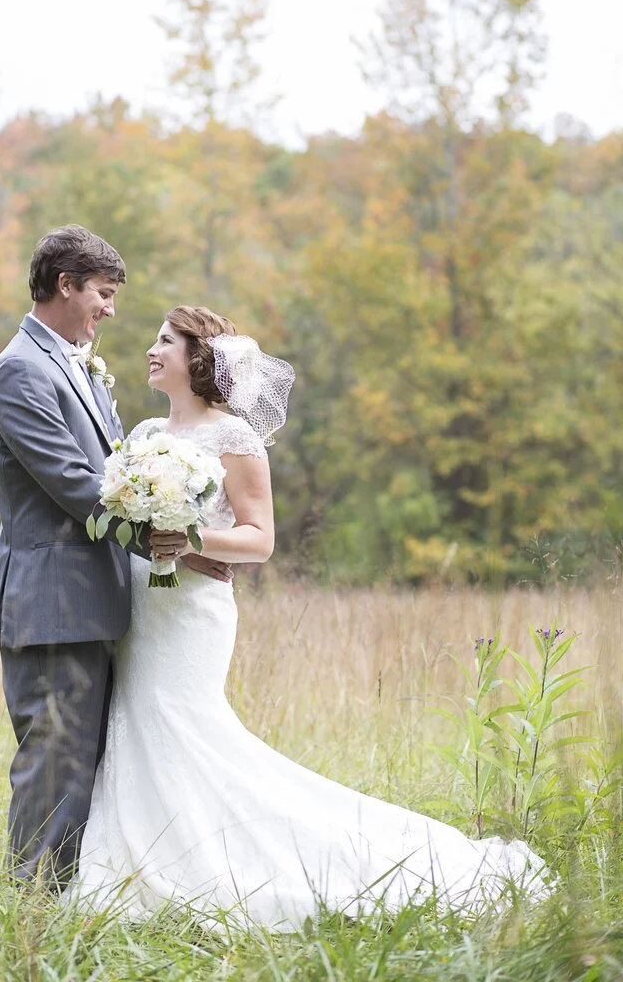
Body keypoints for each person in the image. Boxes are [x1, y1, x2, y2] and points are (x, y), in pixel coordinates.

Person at [70, 305, 550, 929]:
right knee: (135, 725)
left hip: (191, 613)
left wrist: (189, 540)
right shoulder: (139, 435)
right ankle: (143, 862)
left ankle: (266, 860)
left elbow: (260, 539)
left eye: (165, 341)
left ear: (198, 358)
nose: (150, 350)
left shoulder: (234, 438)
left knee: (188, 727)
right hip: (140, 608)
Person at [0, 229, 230, 888]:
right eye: (103, 294)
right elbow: (75, 484)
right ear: (66, 284)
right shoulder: (20, 370)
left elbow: (113, 468)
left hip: (93, 602)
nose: (110, 310)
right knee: (54, 758)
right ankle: (34, 906)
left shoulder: (73, 361)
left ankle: (72, 898)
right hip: (54, 602)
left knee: (85, 760)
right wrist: (166, 537)